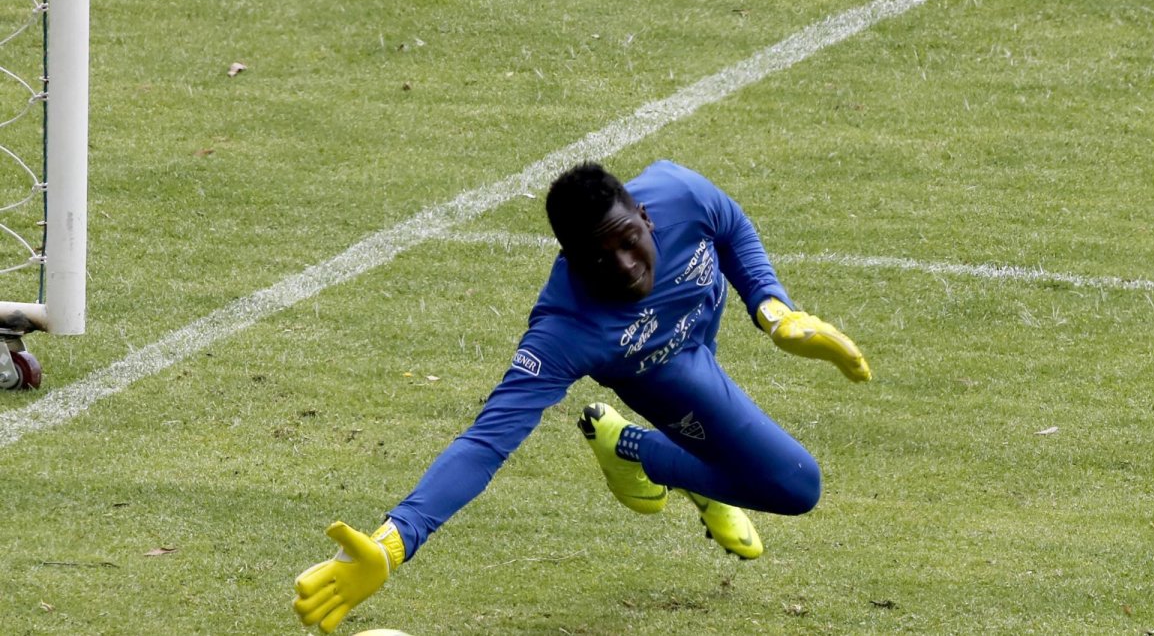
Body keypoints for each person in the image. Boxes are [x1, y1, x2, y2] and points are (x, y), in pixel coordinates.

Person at [292, 160, 872, 633]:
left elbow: (730, 225)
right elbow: (485, 443)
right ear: (570, 259)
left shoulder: (679, 191)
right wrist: (393, 542)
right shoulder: (564, 330)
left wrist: (773, 310)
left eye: (630, 240)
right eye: (598, 257)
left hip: (699, 331)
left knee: (739, 455)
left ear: (646, 215)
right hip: (672, 373)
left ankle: (688, 468)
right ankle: (633, 450)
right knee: (795, 484)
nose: (623, 266)